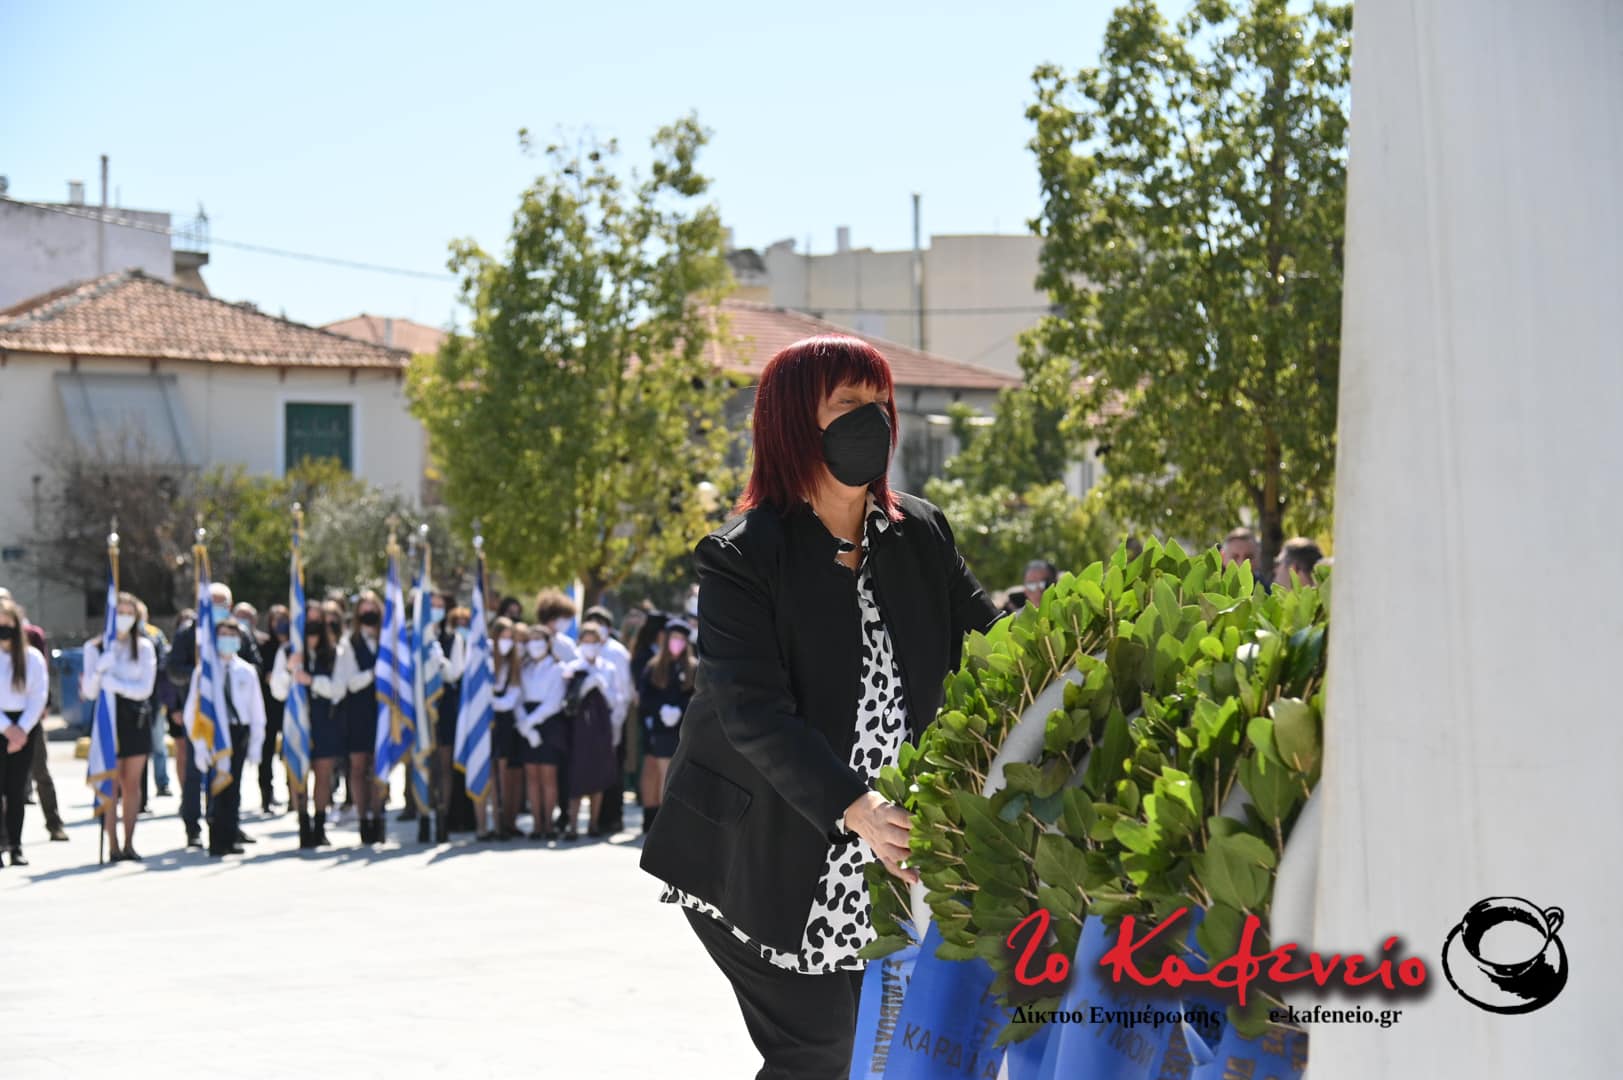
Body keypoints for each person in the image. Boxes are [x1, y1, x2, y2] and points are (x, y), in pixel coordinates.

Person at [638, 335, 1001, 1078]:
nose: (875, 418)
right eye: (849, 403)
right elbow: (751, 712)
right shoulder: (742, 556)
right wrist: (856, 806)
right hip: (764, 848)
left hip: (886, 853)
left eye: (881, 402)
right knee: (821, 1051)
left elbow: (996, 648)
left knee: (878, 1050)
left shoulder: (921, 534)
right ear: (794, 421)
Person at [167, 582, 262, 848]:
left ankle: (227, 825)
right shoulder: (189, 633)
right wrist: (206, 677)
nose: (219, 609)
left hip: (233, 718)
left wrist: (227, 668)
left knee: (231, 776)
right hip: (202, 715)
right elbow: (173, 670)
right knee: (196, 773)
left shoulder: (239, 632)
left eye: (223, 604)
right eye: (213, 603)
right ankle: (193, 826)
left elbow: (254, 665)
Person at [80, 592, 159, 861]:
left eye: (129, 613)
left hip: (135, 718)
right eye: (120, 612)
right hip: (107, 719)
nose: (124, 618)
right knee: (110, 783)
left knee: (131, 783)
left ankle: (129, 842)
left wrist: (118, 685)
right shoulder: (95, 647)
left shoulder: (144, 647)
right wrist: (100, 670)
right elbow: (89, 691)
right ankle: (112, 843)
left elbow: (145, 688)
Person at [185, 615, 265, 857]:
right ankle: (216, 839)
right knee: (215, 787)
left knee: (234, 785)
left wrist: (256, 743)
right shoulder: (204, 671)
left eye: (232, 636)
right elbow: (192, 711)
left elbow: (256, 709)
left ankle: (231, 835)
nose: (227, 640)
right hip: (215, 732)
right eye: (223, 636)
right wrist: (198, 745)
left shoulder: (247, 671)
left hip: (238, 731)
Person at [269, 602, 344, 847]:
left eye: (316, 622)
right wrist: (290, 670)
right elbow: (277, 691)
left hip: (324, 721)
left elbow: (338, 689)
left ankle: (319, 826)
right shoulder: (287, 651)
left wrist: (312, 681)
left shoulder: (333, 652)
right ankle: (303, 824)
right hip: (296, 722)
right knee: (297, 773)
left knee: (323, 775)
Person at [561, 622, 624, 839]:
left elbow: (616, 700)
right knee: (577, 775)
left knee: (598, 774)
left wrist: (601, 687)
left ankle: (593, 823)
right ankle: (572, 824)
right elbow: (566, 702)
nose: (590, 646)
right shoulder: (572, 667)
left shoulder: (609, 668)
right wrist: (583, 686)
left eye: (594, 642)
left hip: (601, 727)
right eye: (586, 642)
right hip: (578, 728)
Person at [332, 590, 385, 844]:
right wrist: (375, 673)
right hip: (358, 711)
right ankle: (363, 819)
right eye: (364, 608)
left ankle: (379, 816)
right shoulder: (349, 643)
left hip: (382, 710)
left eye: (372, 608)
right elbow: (351, 682)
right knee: (358, 766)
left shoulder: (388, 639)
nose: (368, 613)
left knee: (379, 765)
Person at [0, 597, 49, 868]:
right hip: (3, 723)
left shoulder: (32, 658)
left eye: (6, 624)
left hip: (25, 727)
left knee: (16, 790)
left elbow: (38, 696)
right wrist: (7, 728)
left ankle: (16, 846)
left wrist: (21, 730)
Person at [635, 619, 695, 835]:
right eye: (674, 637)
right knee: (663, 773)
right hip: (661, 730)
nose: (677, 642)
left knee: (678, 775)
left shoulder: (693, 667)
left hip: (683, 730)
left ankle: (674, 821)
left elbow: (696, 696)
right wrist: (661, 709)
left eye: (681, 638)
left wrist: (680, 709)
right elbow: (645, 697)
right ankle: (661, 821)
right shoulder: (654, 666)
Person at [582, 606, 633, 833]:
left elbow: (624, 691)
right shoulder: (581, 650)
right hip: (587, 723)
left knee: (612, 771)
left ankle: (612, 817)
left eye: (600, 623)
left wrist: (615, 723)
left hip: (612, 720)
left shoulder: (617, 652)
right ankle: (592, 818)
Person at [513, 624, 567, 841]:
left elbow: (554, 702)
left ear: (548, 643)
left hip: (548, 723)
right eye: (531, 640)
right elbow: (517, 696)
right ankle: (537, 824)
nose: (534, 645)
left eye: (539, 639)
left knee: (548, 776)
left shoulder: (557, 667)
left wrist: (531, 722)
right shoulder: (523, 668)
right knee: (532, 777)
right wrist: (524, 726)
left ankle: (548, 823)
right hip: (526, 724)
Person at [489, 619, 524, 840]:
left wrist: (492, 701)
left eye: (510, 638)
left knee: (506, 773)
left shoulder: (513, 665)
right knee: (491, 775)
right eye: (503, 637)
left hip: (506, 724)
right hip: (487, 723)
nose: (507, 642)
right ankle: (494, 821)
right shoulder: (486, 661)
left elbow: (510, 700)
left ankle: (507, 821)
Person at [256, 604, 291, 813]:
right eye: (275, 619)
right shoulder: (264, 646)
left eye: (283, 619)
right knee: (266, 751)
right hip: (268, 707)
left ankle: (293, 793)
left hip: (289, 707)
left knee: (290, 751)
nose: (279, 624)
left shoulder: (295, 646)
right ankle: (266, 795)